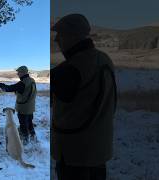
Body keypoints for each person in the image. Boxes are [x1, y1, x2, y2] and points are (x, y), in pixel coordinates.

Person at [51, 14, 117, 180]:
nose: (56, 40)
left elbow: (60, 95)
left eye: (60, 34)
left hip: (74, 153)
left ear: (73, 36)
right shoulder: (104, 59)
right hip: (97, 150)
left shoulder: (72, 68)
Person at [0, 66, 37, 145]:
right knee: (29, 123)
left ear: (23, 72)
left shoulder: (22, 83)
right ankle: (33, 137)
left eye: (19, 72)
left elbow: (8, 88)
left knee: (23, 125)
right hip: (30, 107)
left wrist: (0, 85)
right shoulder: (32, 80)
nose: (17, 74)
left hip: (23, 108)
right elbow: (25, 92)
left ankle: (25, 142)